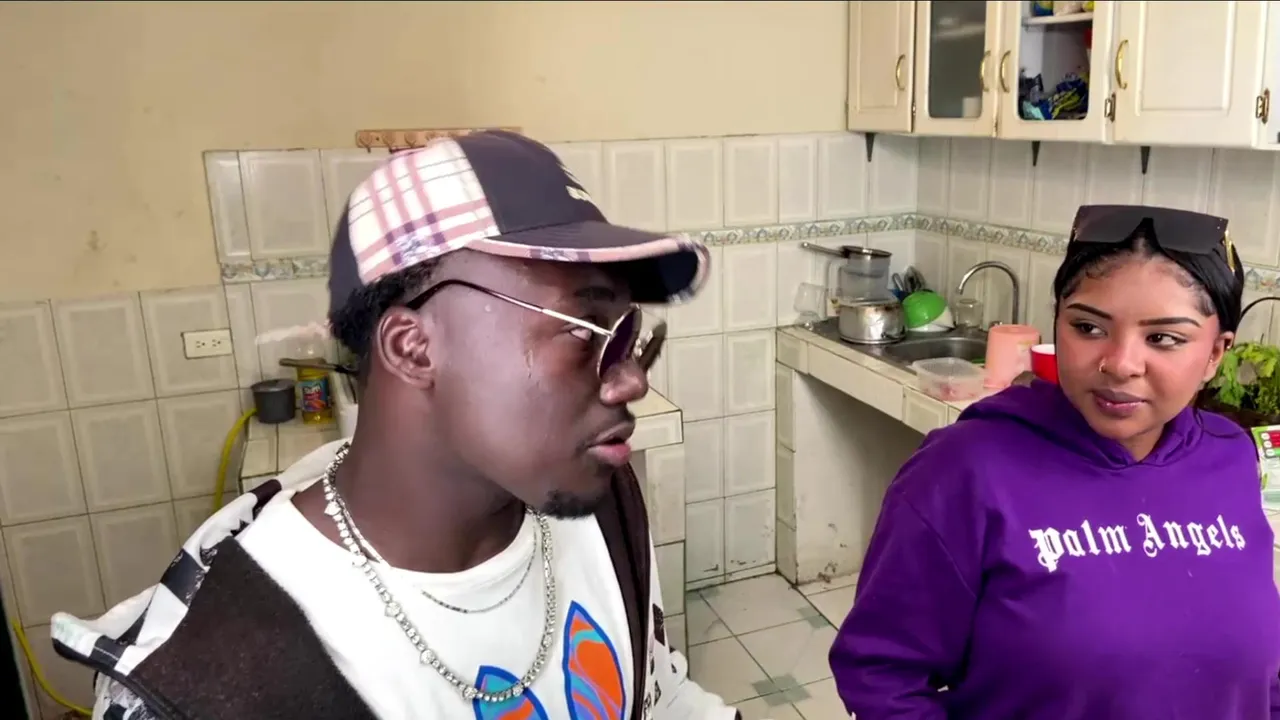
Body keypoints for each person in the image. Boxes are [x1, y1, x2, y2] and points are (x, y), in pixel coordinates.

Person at [49, 130, 746, 720]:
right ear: (413, 348)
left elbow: (657, 694)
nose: (631, 379)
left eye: (629, 334)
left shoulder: (595, 499)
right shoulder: (215, 680)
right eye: (586, 328)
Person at [829, 204, 1280, 719]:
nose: (1120, 364)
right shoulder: (967, 470)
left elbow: (1263, 671)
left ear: (1216, 354)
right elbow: (882, 674)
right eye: (1088, 327)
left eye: (1163, 338)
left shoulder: (1230, 457)